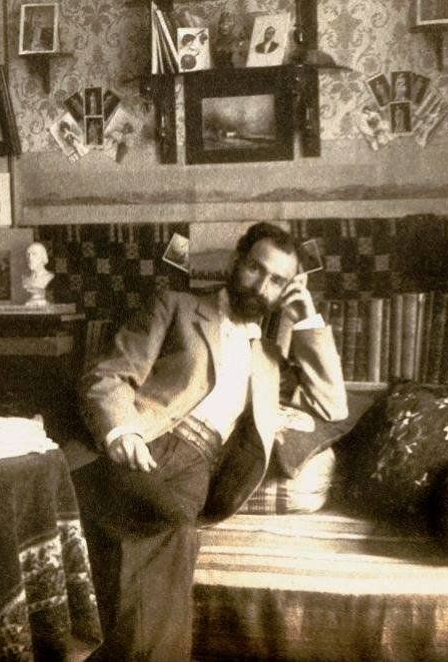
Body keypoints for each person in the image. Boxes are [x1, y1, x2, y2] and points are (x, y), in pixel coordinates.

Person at [72, 222, 347, 660]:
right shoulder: (177, 306)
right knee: (174, 535)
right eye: (255, 269)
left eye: (277, 281)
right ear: (236, 262)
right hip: (142, 449)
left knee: (171, 534)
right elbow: (108, 376)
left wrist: (308, 317)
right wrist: (122, 431)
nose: (261, 286)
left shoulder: (269, 355)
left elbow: (331, 405)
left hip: (197, 473)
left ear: (287, 290)